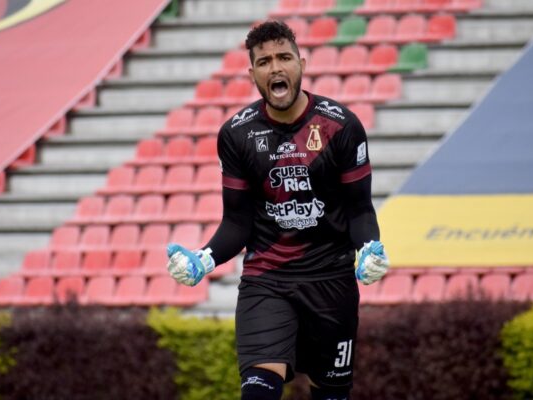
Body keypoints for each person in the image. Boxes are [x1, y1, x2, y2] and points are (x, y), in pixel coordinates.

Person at [166, 20, 390, 400]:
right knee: (258, 393)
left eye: (284, 57)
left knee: (331, 395)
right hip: (267, 281)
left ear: (301, 63)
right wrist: (204, 259)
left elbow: (360, 211)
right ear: (253, 73)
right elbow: (237, 221)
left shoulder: (342, 126)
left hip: (331, 280)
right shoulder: (236, 134)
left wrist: (370, 247)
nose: (276, 68)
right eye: (265, 61)